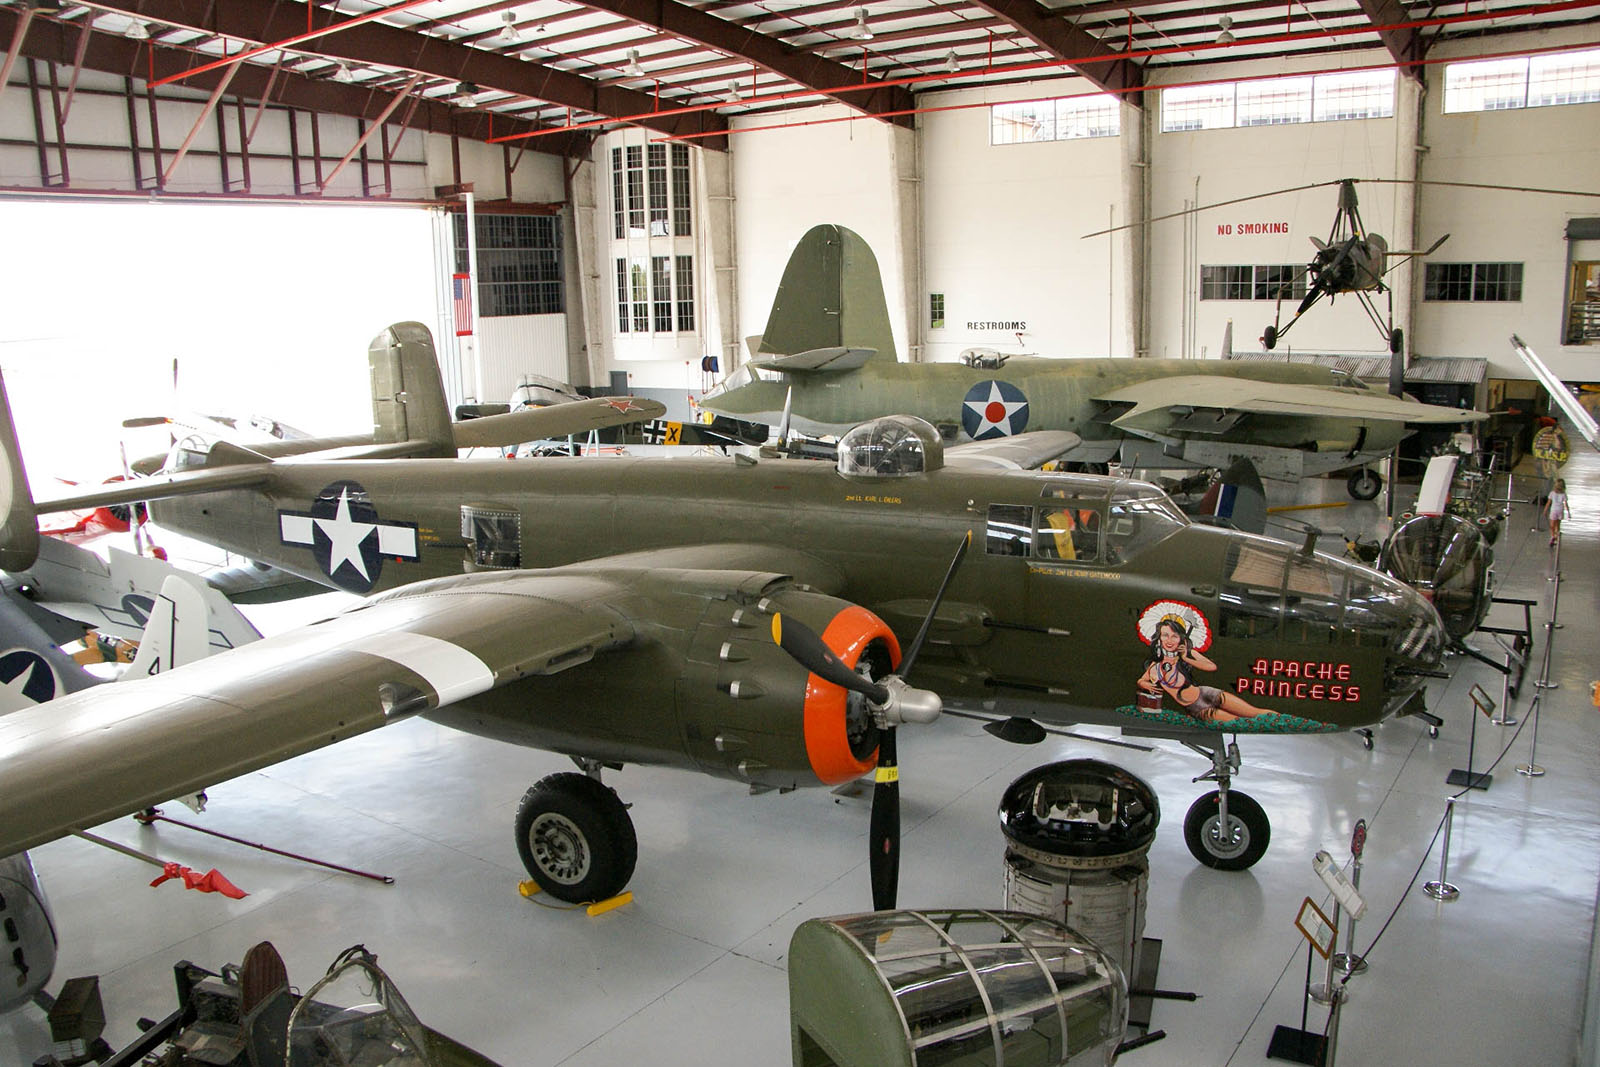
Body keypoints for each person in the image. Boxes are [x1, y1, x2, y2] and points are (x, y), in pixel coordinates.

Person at [1137, 617, 1271, 723]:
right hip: (1197, 708)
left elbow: (1211, 666)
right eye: (1165, 635)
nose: (1169, 640)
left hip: (1207, 693)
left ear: (1181, 639)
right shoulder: (1155, 666)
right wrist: (1145, 683)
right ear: (1159, 638)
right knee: (1241, 722)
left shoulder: (1188, 653)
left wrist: (1186, 658)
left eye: (1175, 636)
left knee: (1255, 713)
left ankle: (1287, 720)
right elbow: (1142, 680)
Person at [1547, 478, 1570, 546]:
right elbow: (1566, 504)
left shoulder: (1552, 493)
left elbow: (1548, 503)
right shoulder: (1564, 494)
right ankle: (1556, 537)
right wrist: (1568, 512)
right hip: (1560, 510)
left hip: (1553, 510)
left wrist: (1545, 510)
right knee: (1558, 525)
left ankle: (1552, 536)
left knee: (1552, 525)